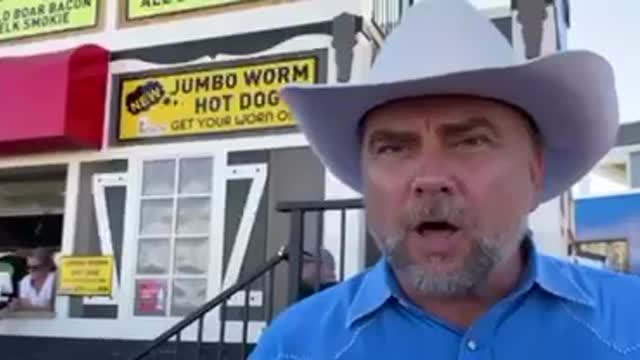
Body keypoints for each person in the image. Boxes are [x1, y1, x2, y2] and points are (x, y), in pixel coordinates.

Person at [250, 1, 639, 359]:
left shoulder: (629, 326)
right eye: (393, 148)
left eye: (471, 141)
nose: (430, 178)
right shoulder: (295, 347)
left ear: (534, 171)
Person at [10, 248, 56, 312]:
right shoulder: (25, 280)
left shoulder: (55, 280)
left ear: (47, 267)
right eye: (28, 267)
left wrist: (24, 307)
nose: (31, 270)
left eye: (35, 267)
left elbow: (52, 308)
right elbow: (24, 303)